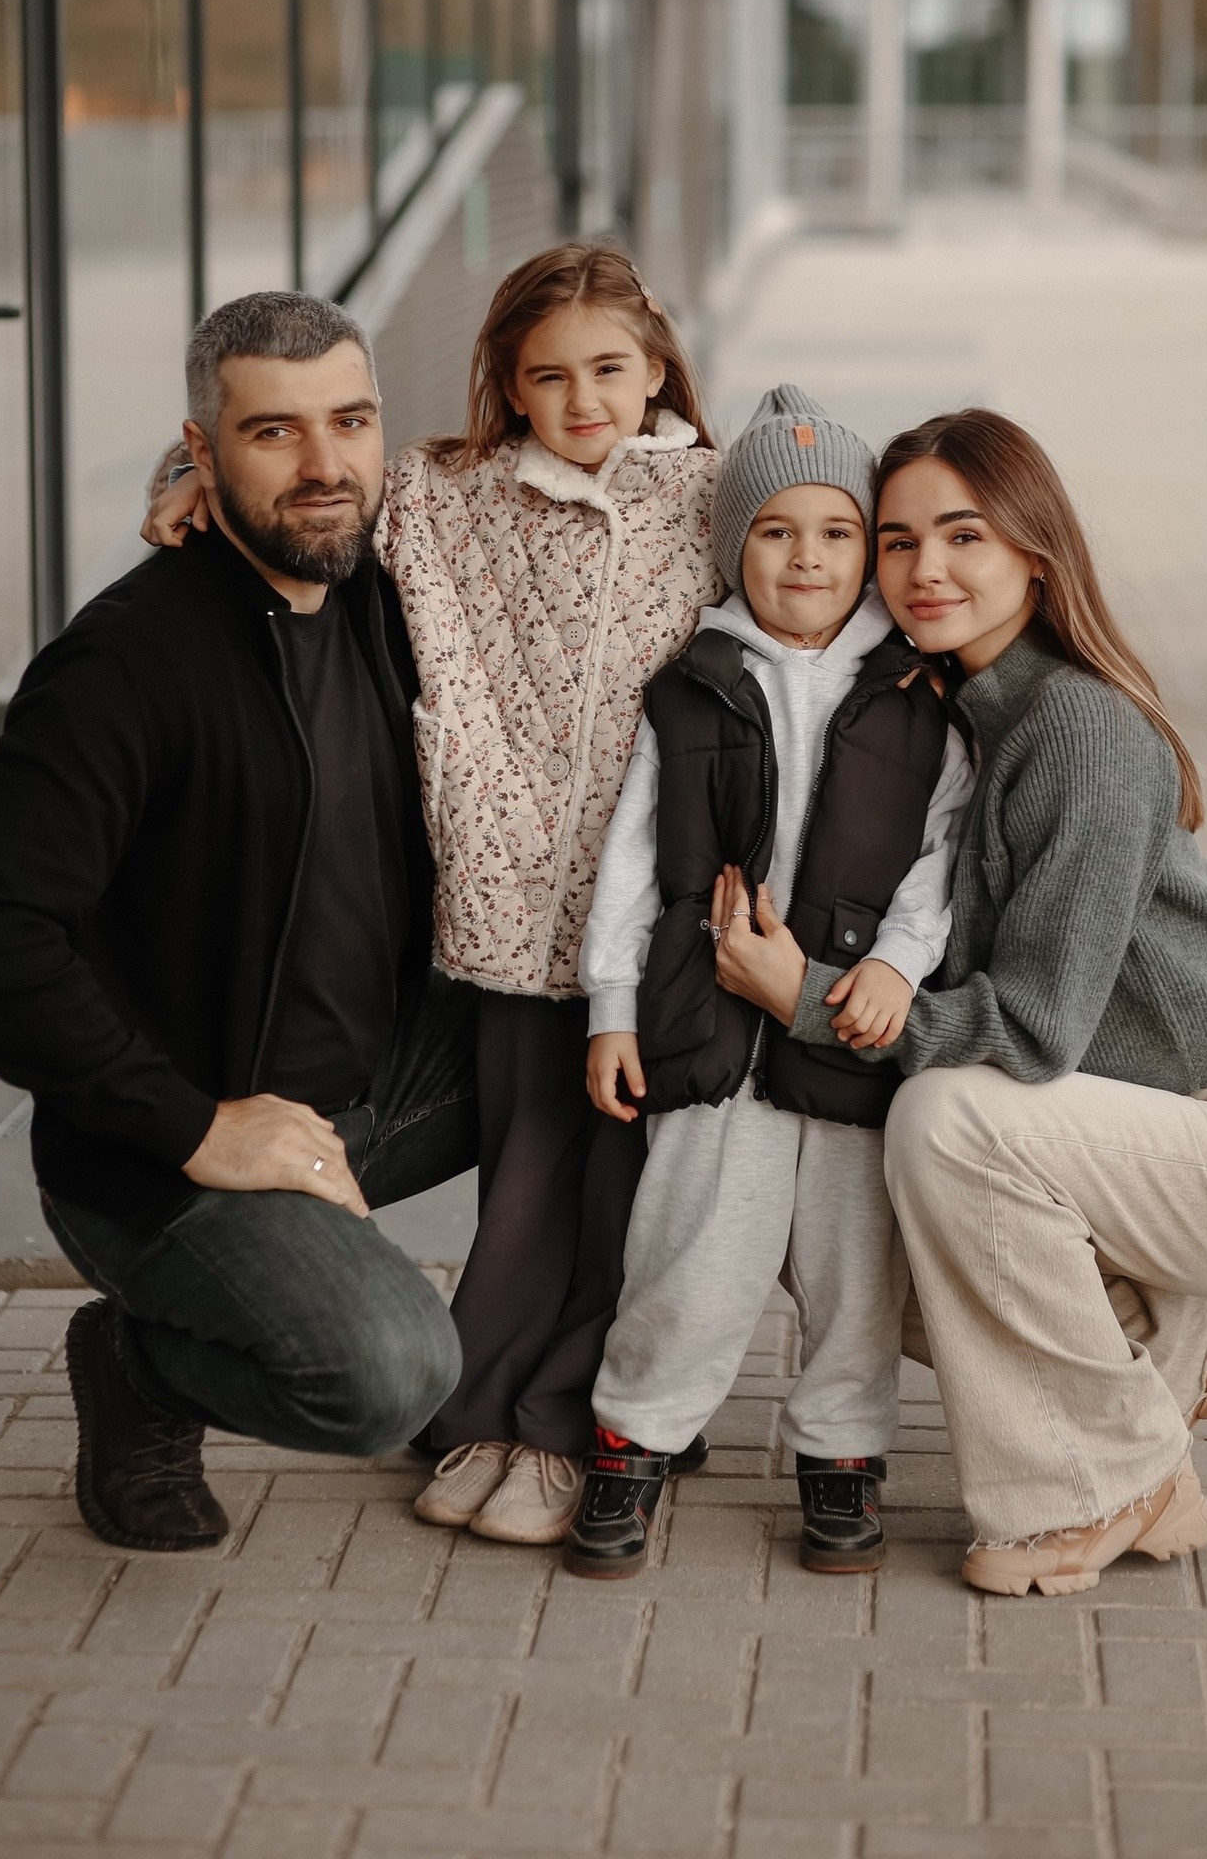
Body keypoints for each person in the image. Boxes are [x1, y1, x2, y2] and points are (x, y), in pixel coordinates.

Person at [717, 406, 1207, 1598]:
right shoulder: (944, 713)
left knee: (944, 1126)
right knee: (827, 1200)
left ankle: (1109, 1478)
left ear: (1033, 551)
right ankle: (1169, 1338)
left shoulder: (1074, 728)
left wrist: (803, 1000)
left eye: (962, 536)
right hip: (1127, 1137)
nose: (925, 570)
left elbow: (1026, 1032)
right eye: (899, 540)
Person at [146, 242, 721, 1545]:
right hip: (510, 903)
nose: (581, 401)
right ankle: (483, 1406)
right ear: (507, 386)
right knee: (527, 1167)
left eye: (609, 370)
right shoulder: (445, 493)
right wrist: (181, 474)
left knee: (627, 1177)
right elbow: (304, 495)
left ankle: (566, 1425)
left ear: (654, 369)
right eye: (547, 377)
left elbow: (835, 535)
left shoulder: (709, 494)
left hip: (662, 909)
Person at [0, 292, 477, 1554]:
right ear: (205, 447)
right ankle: (140, 1368)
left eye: (349, 421)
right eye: (272, 434)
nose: (326, 466)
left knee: (622, 1056)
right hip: (177, 1155)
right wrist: (195, 1126)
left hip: (369, 1093)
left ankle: (522, 1397)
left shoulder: (392, 592)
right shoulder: (125, 664)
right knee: (385, 1375)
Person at [562, 387, 974, 1579]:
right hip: (709, 1013)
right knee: (691, 1241)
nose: (806, 556)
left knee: (854, 1261)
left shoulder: (914, 694)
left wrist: (898, 961)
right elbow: (631, 855)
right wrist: (610, 1003)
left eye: (837, 531)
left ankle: (839, 1458)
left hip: (849, 1016)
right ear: (735, 544)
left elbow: (945, 853)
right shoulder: (693, 680)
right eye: (776, 530)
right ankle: (635, 1441)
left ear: (867, 551)